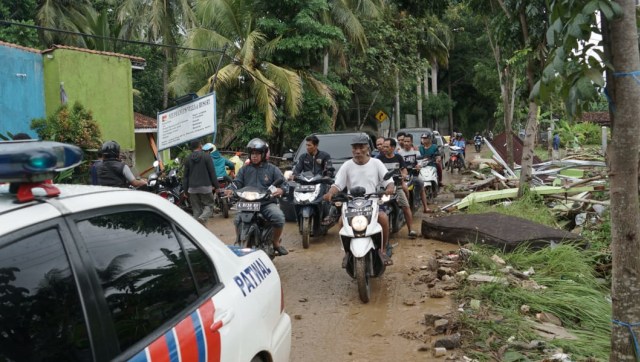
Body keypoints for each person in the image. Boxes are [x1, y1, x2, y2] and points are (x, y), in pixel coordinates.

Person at [323, 134, 395, 266]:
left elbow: (388, 181)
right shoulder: (347, 165)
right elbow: (337, 184)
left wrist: (390, 187)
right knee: (341, 222)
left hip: (373, 202)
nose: (357, 151)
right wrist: (330, 193)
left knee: (383, 218)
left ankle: (383, 250)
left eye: (361, 147)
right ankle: (347, 253)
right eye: (355, 148)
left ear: (367, 148)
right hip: (352, 203)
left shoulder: (376, 163)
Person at [225, 138, 289, 256]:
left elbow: (284, 184)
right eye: (252, 153)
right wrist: (230, 190)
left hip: (266, 203)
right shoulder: (244, 170)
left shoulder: (272, 169)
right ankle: (240, 240)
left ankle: (275, 243)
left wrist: (281, 190)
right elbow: (237, 183)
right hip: (247, 203)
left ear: (263, 154)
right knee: (237, 220)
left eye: (257, 154)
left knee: (278, 217)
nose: (254, 156)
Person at [377, 138, 418, 240]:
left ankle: (410, 229)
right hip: (383, 189)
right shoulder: (378, 159)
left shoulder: (399, 157)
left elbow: (404, 171)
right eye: (383, 146)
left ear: (393, 148)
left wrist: (403, 176)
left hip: (397, 187)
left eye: (387, 146)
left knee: (405, 206)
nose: (384, 148)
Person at [183, 140, 220, 224]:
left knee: (196, 211)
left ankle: (198, 233)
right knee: (209, 206)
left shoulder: (188, 158)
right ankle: (203, 218)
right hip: (205, 188)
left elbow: (185, 177)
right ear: (200, 146)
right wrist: (217, 187)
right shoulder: (206, 156)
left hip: (192, 189)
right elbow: (212, 172)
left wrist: (185, 191)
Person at [399, 134, 428, 213]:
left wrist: (419, 165)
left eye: (408, 141)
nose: (406, 143)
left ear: (411, 142)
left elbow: (420, 162)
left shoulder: (416, 151)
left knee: (421, 184)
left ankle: (424, 206)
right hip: (403, 177)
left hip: (413, 175)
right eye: (405, 141)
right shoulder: (399, 153)